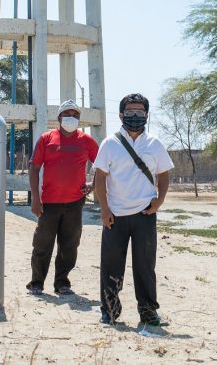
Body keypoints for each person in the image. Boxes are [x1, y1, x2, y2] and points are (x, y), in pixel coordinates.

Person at [93, 93, 174, 327]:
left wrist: (158, 202)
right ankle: (109, 311)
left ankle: (148, 312)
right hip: (115, 215)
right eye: (130, 112)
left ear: (147, 115)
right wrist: (105, 209)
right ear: (121, 115)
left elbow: (164, 174)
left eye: (140, 112)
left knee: (145, 266)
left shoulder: (154, 144)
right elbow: (100, 177)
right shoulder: (110, 143)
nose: (135, 117)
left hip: (144, 215)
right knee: (111, 265)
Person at [26, 100, 99, 296]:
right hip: (48, 203)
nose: (71, 118)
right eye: (67, 114)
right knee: (42, 244)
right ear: (59, 118)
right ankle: (36, 283)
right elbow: (34, 168)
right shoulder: (46, 138)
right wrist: (35, 198)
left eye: (75, 115)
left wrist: (94, 184)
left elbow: (102, 164)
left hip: (75, 203)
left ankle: (62, 283)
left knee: (70, 245)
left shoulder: (87, 141)